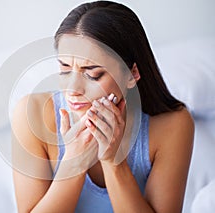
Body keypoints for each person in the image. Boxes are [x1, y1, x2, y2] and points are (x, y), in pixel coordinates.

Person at [12, 1, 194, 212]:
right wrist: (74, 162)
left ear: (131, 73)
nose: (73, 89)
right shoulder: (31, 114)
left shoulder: (172, 125)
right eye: (64, 70)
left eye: (92, 74)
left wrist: (114, 161)